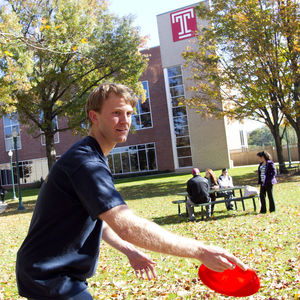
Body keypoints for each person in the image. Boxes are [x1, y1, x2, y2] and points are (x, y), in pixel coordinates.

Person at [16, 83, 247, 299]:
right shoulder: (86, 163)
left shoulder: (92, 157)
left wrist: (129, 250)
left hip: (53, 273)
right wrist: (200, 250)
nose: (125, 120)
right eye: (116, 112)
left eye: (128, 113)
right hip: (49, 275)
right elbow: (126, 226)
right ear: (94, 117)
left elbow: (101, 219)